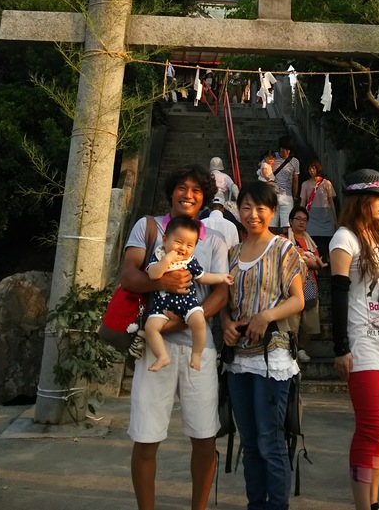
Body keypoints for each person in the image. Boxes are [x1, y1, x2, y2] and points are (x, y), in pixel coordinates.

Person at [121, 164, 229, 510]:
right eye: (182, 187)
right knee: (146, 436)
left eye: (196, 190)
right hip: (156, 349)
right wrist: (160, 283)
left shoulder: (213, 239)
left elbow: (220, 294)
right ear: (171, 191)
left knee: (204, 436)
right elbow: (128, 276)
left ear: (204, 197)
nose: (188, 194)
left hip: (199, 348)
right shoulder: (149, 227)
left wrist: (182, 323)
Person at [221, 181, 304, 510]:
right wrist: (226, 323)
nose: (252, 214)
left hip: (273, 357)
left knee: (271, 440)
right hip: (238, 359)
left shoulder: (284, 249)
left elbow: (297, 300)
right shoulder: (232, 254)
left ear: (272, 211)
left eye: (260, 208)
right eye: (246, 207)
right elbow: (224, 301)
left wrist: (266, 315)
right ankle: (255, 504)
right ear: (237, 210)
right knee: (250, 441)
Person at [329, 168, 379, 510]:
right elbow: (339, 293)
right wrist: (340, 346)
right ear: (361, 201)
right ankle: (362, 505)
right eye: (378, 199)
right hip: (361, 344)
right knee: (370, 426)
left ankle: (373, 504)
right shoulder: (344, 238)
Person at [145, 215, 234, 372]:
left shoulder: (190, 261)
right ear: (165, 239)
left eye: (189, 245)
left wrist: (221, 277)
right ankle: (162, 356)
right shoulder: (159, 255)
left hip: (188, 303)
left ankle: (197, 354)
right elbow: (153, 274)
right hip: (162, 305)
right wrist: (166, 260)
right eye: (178, 242)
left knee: (199, 321)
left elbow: (203, 277)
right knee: (150, 327)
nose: (182, 248)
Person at [288, 206, 327, 362]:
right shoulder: (284, 238)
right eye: (298, 219)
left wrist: (310, 262)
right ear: (290, 221)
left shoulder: (310, 241)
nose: (302, 222)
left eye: (305, 220)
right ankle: (292, 349)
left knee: (310, 323)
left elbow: (318, 263)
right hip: (291, 286)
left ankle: (301, 348)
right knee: (292, 322)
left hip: (310, 284)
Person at [299, 159, 337, 263]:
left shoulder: (326, 183)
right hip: (312, 216)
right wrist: (300, 216)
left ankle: (329, 261)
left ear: (318, 169)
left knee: (329, 240)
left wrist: (335, 218)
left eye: (313, 168)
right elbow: (303, 202)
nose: (311, 170)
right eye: (310, 168)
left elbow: (331, 201)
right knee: (312, 240)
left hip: (325, 214)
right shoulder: (305, 184)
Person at [271, 136, 300, 232]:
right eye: (283, 149)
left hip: (287, 197)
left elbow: (296, 180)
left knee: (287, 227)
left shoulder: (294, 161)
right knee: (271, 226)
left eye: (288, 150)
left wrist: (295, 197)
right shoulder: (272, 157)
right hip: (272, 195)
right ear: (279, 148)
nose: (285, 152)